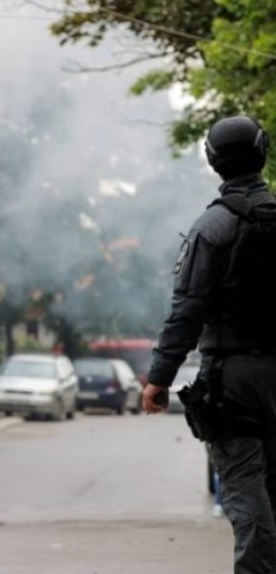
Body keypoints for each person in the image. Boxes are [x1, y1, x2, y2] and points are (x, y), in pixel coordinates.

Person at [143, 115, 276, 573]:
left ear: (213, 161)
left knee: (245, 494)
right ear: (263, 153)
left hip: (233, 381)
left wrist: (158, 379)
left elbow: (188, 310)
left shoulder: (211, 228)